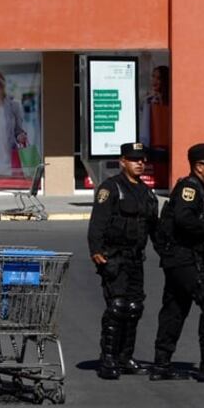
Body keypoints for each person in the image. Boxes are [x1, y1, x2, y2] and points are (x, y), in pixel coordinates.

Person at [150, 143, 204, 382]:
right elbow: (183, 218)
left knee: (175, 309)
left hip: (183, 258)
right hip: (183, 258)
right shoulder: (189, 188)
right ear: (199, 166)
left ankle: (161, 364)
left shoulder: (202, 188)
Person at [87, 142, 159, 379]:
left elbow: (153, 228)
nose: (140, 163)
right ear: (123, 162)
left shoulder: (146, 192)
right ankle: (108, 359)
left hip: (135, 258)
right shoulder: (111, 188)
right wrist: (96, 250)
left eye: (142, 160)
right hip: (114, 257)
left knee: (134, 308)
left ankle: (125, 357)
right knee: (117, 307)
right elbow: (98, 222)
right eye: (134, 159)